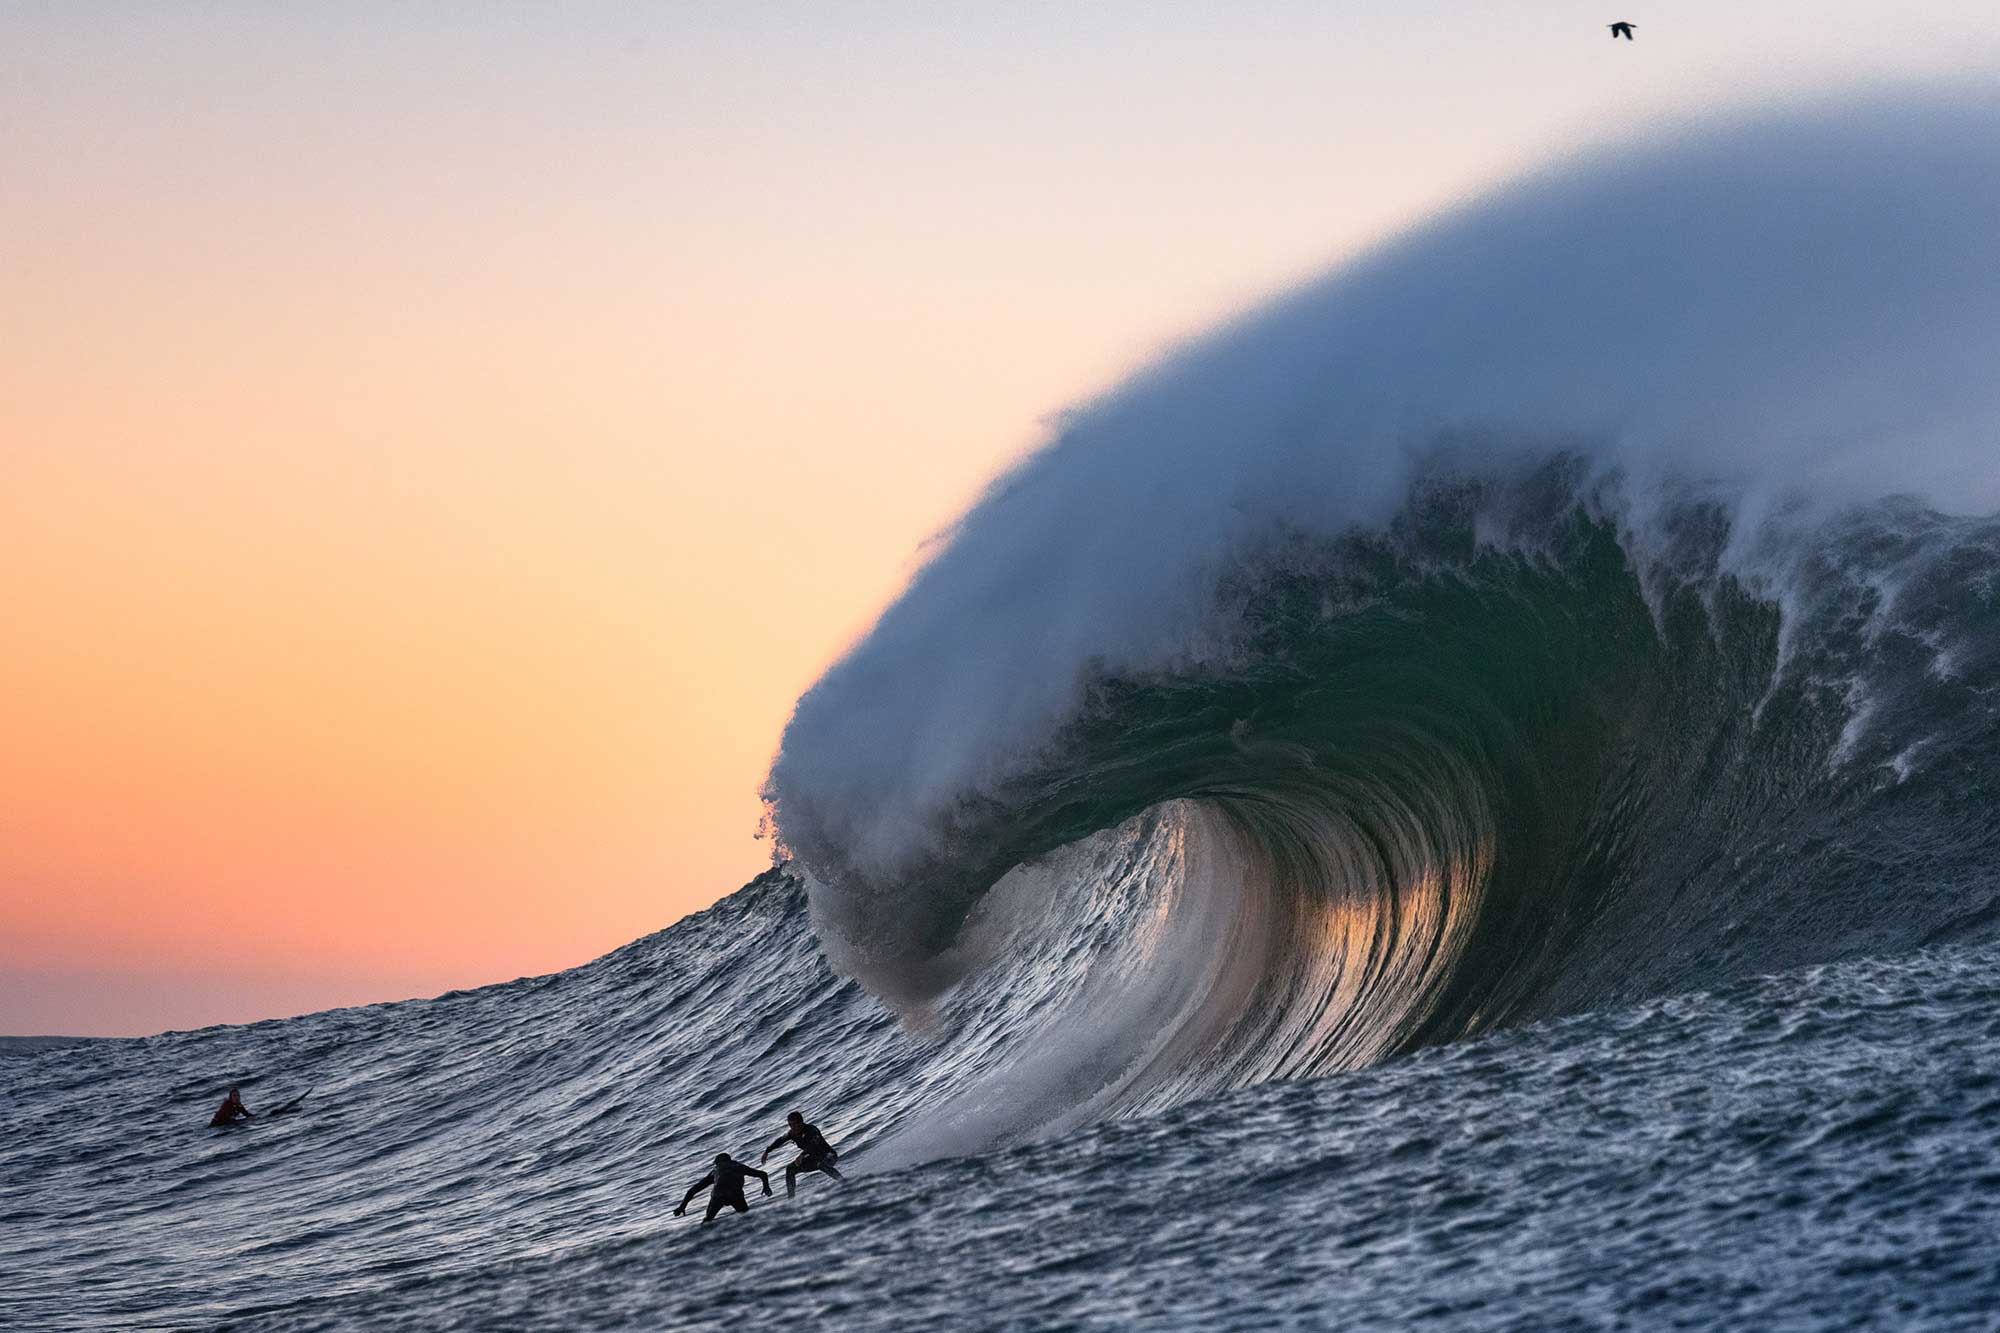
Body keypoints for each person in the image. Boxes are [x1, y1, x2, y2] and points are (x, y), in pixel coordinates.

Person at [761, 1110, 844, 1198]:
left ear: (801, 1122)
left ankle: (844, 1182)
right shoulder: (792, 1133)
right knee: (790, 1168)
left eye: (795, 1124)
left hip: (829, 1156)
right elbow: (780, 1140)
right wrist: (767, 1151)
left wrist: (802, 1155)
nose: (793, 1127)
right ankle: (791, 1199)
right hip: (813, 1159)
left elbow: (813, 1144)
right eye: (790, 1125)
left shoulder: (812, 1129)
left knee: (821, 1163)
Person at [675, 1153, 771, 1225]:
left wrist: (682, 1206)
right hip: (735, 1194)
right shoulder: (739, 1166)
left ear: (719, 1163)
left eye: (716, 1164)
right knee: (747, 1217)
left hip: (718, 1195)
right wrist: (766, 1187)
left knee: (707, 1221)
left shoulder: (715, 1171)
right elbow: (763, 1174)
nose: (716, 1166)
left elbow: (693, 1190)